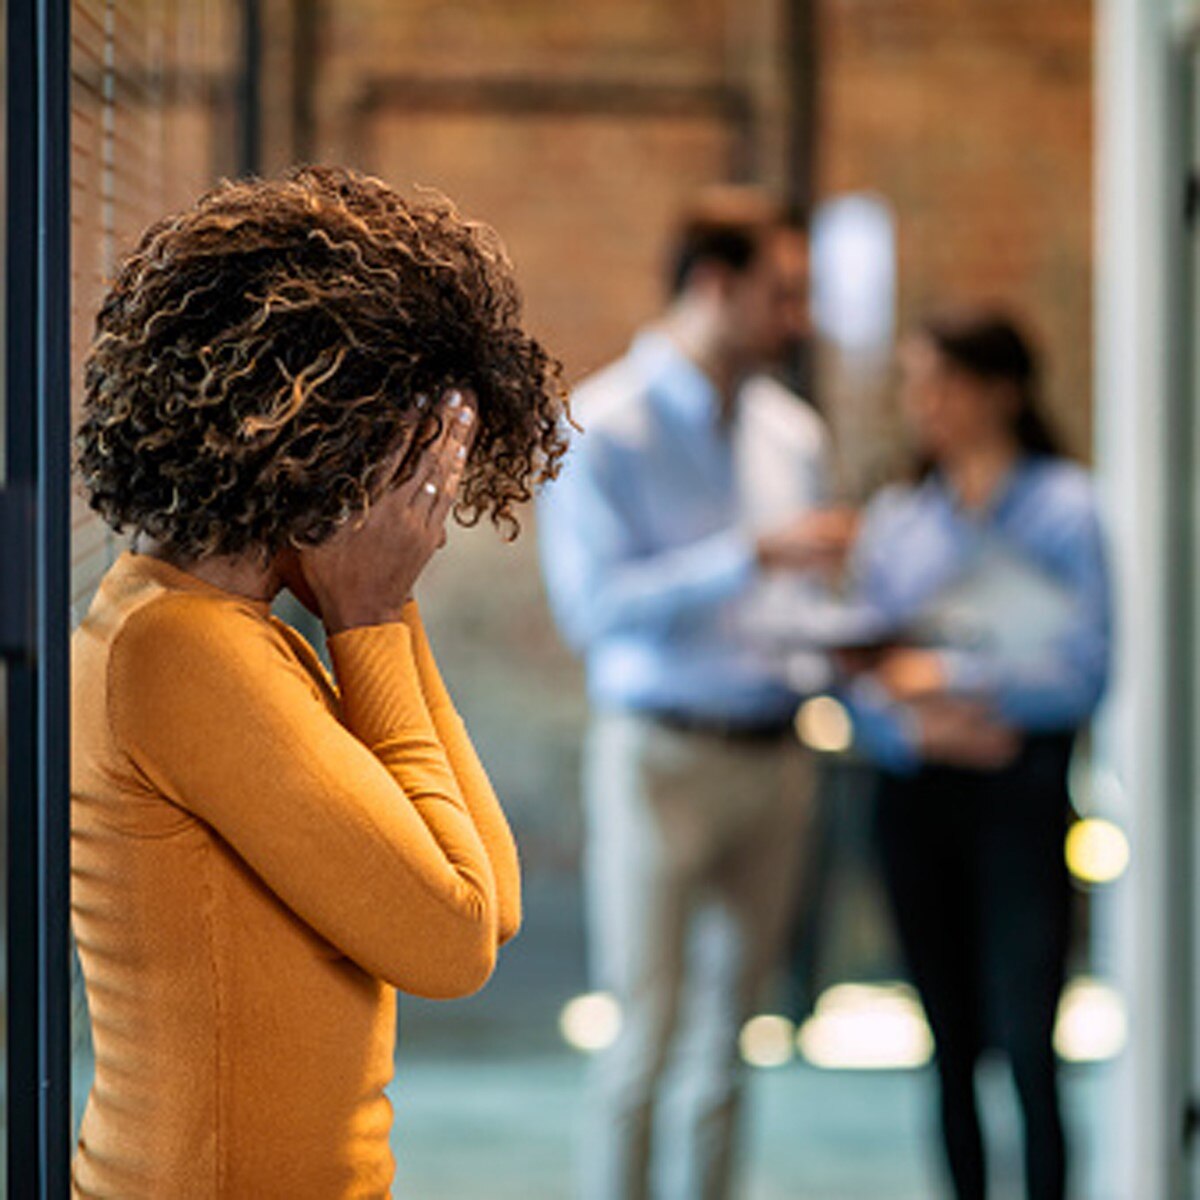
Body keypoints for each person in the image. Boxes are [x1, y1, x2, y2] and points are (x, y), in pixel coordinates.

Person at [70, 165, 567, 1198]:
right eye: (409, 470)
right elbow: (451, 942)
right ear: (312, 441)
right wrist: (370, 611)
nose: (418, 514)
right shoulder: (179, 651)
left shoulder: (232, 632)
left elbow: (492, 894)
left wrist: (384, 608)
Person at [538, 188, 856, 1200]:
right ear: (714, 285)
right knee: (643, 1038)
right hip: (659, 758)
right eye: (784, 294)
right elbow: (593, 613)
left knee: (729, 1047)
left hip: (777, 754)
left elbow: (795, 610)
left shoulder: (789, 433)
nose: (799, 320)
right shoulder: (600, 426)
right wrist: (744, 557)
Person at [840, 308, 1111, 1200]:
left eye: (945, 382)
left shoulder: (1068, 509)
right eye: (917, 383)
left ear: (1003, 392)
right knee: (947, 1039)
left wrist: (953, 679)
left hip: (1020, 791)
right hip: (917, 795)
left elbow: (1083, 666)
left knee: (1029, 1036)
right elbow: (861, 668)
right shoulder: (899, 519)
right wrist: (915, 723)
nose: (926, 404)